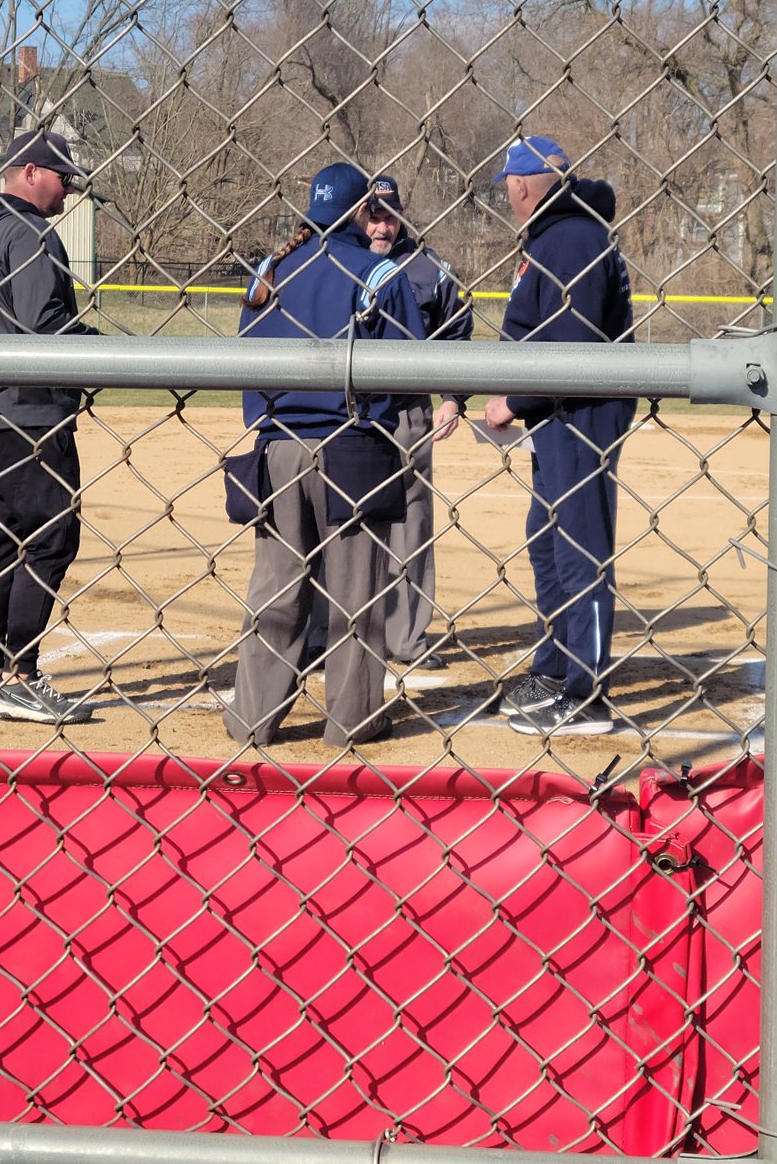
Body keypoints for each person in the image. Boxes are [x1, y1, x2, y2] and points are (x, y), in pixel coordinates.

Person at [226, 162, 426, 748]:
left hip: (277, 448)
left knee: (277, 587)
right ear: (362, 212)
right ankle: (351, 720)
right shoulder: (379, 272)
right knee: (354, 593)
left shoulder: (272, 269)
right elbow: (408, 368)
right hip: (352, 448)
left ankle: (252, 718)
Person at [482, 137, 638, 737]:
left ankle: (585, 692)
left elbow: (570, 344)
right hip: (559, 412)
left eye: (509, 186)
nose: (509, 196)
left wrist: (514, 400)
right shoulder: (558, 234)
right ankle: (554, 669)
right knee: (547, 541)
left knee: (579, 549)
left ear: (524, 185)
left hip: (581, 412)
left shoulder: (571, 236)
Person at [0, 129, 100, 725]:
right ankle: (19, 676)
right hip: (27, 410)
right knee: (49, 536)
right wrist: (104, 352)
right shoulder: (30, 231)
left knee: (3, 536)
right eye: (63, 179)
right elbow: (47, 324)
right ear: (31, 172)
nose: (67, 192)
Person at [355, 175, 472, 663]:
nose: (381, 226)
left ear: (401, 216)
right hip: (348, 410)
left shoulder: (431, 269)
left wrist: (451, 398)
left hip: (406, 410)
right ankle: (332, 632)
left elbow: (457, 335)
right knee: (341, 520)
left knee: (411, 522)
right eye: (372, 215)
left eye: (388, 215)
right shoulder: (339, 258)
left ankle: (406, 639)